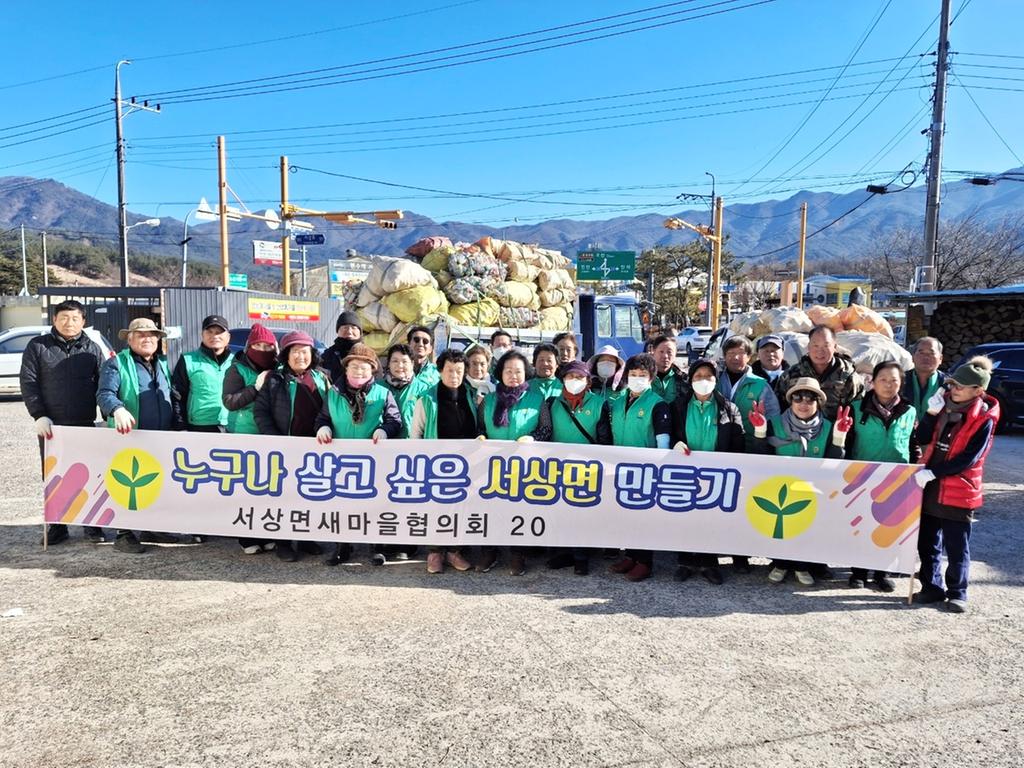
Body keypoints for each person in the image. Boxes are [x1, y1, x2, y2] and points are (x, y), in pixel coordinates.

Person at [914, 356, 999, 614]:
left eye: (961, 386)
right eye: (952, 384)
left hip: (958, 490)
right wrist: (929, 413)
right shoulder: (942, 407)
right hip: (931, 487)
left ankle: (957, 592)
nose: (954, 389)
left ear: (978, 390)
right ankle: (931, 587)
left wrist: (933, 473)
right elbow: (922, 437)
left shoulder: (984, 418)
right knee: (927, 542)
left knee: (956, 545)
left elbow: (969, 458)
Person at [750, 378, 852, 586]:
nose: (803, 403)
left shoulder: (828, 427)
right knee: (781, 526)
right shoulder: (775, 423)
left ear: (818, 403)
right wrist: (760, 433)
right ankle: (780, 563)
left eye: (810, 398)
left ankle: (802, 566)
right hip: (780, 487)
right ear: (790, 401)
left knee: (808, 527)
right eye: (798, 397)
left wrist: (839, 438)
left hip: (813, 488)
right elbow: (761, 456)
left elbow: (834, 462)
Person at [21, 299, 107, 545]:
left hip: (84, 424)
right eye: (64, 318)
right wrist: (38, 414)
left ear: (83, 321)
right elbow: (29, 382)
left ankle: (92, 525)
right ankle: (58, 526)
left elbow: (103, 385)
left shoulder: (92, 348)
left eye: (75, 318)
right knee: (54, 477)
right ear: (54, 320)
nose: (69, 323)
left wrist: (106, 417)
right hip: (51, 425)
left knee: (90, 475)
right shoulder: (37, 347)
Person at [315, 342, 403, 566]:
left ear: (372, 370)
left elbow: (395, 421)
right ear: (346, 368)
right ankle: (342, 547)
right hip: (341, 461)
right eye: (354, 366)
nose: (359, 370)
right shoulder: (333, 394)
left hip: (373, 461)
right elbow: (323, 418)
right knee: (343, 504)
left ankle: (376, 546)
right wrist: (322, 428)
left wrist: (384, 430)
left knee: (374, 504)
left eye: (365, 367)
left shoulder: (383, 394)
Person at [96, 318, 175, 554]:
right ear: (130, 339)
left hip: (160, 436)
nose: (148, 339)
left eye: (152, 335)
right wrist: (117, 409)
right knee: (127, 486)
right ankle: (124, 533)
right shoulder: (116, 363)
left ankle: (151, 527)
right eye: (141, 335)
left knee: (154, 483)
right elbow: (104, 393)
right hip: (129, 437)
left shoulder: (161, 363)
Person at [843, 360, 921, 591]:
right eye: (883, 380)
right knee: (861, 526)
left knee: (888, 527)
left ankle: (881, 572)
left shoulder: (909, 411)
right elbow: (847, 442)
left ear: (901, 384)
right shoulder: (857, 408)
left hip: (897, 478)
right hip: (863, 477)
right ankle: (857, 571)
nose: (888, 385)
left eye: (894, 380)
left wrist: (916, 470)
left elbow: (912, 443)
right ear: (872, 382)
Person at [254, 330, 331, 563]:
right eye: (295, 351)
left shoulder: (321, 378)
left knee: (309, 495)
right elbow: (261, 411)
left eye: (305, 351)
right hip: (284, 447)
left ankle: (307, 538)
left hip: (314, 448)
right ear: (286, 355)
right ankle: (283, 542)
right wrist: (276, 440)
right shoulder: (275, 380)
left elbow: (331, 410)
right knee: (283, 497)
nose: (300, 356)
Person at [669, 358, 746, 584]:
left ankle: (709, 562)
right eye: (698, 377)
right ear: (691, 380)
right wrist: (675, 443)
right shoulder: (678, 406)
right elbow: (671, 433)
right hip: (685, 473)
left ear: (716, 380)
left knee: (711, 519)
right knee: (685, 518)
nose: (703, 381)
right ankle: (685, 561)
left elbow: (738, 442)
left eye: (708, 376)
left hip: (716, 475)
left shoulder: (728, 408)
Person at [533, 360, 613, 576]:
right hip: (557, 468)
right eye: (570, 377)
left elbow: (604, 439)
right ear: (563, 380)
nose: (574, 381)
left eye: (579, 377)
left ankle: (581, 556)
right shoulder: (551, 403)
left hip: (588, 469)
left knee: (582, 514)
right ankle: (563, 552)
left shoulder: (600, 404)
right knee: (559, 512)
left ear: (588, 381)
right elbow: (545, 431)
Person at [408, 348, 477, 574]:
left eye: (459, 370)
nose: (454, 375)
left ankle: (455, 551)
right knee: (435, 508)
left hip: (465, 464)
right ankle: (435, 552)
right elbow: (415, 433)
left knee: (461, 507)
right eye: (449, 370)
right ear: (440, 371)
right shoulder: (427, 398)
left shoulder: (471, 395)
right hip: (435, 464)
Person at [476, 349, 544, 576]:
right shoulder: (489, 400)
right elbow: (480, 427)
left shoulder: (537, 400)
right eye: (508, 371)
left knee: (520, 510)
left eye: (518, 371)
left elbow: (547, 429)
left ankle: (518, 553)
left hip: (524, 467)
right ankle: (490, 550)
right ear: (500, 373)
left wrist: (533, 438)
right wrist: (480, 437)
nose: (513, 375)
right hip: (491, 466)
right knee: (490, 508)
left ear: (526, 373)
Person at [608, 353, 672, 582]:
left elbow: (663, 439)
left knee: (644, 517)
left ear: (651, 378)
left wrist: (659, 466)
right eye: (633, 374)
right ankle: (630, 556)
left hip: (646, 470)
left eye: (642, 375)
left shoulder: (657, 404)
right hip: (619, 467)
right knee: (626, 516)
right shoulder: (618, 401)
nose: (636, 379)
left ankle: (645, 561)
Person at [222, 323, 279, 556]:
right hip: (244, 435)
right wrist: (254, 388)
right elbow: (230, 401)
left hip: (271, 433)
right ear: (248, 346)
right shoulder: (237, 369)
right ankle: (246, 535)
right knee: (246, 487)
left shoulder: (278, 367)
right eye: (258, 345)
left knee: (269, 487)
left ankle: (267, 532)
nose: (263, 349)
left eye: (268, 345)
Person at [776, 325, 863, 422]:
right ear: (808, 347)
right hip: (797, 433)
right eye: (815, 345)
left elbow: (858, 414)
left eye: (826, 346)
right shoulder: (791, 375)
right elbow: (779, 409)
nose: (820, 351)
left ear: (834, 347)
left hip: (836, 433)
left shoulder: (849, 378)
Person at [718, 335, 780, 452]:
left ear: (749, 357)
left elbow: (774, 420)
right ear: (724, 356)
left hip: (750, 449)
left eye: (741, 352)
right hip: (719, 449)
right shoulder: (715, 381)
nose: (735, 357)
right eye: (730, 353)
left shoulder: (760, 385)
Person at [172, 315, 233, 433]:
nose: (215, 336)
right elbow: (177, 395)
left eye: (219, 332)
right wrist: (181, 426)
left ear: (228, 337)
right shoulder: (188, 360)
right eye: (210, 331)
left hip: (230, 425)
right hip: (199, 426)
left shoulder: (236, 361)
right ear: (202, 335)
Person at [382, 343, 428, 439]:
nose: (400, 365)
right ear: (388, 364)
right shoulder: (378, 388)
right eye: (395, 361)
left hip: (412, 447)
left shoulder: (423, 389)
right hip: (381, 446)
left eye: (404, 361)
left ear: (412, 364)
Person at [902, 337, 946, 419]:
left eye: (931, 353)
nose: (926, 357)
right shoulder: (900, 380)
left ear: (940, 359)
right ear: (913, 357)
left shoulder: (947, 384)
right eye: (921, 353)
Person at [321, 310, 363, 383]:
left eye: (353, 327)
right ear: (338, 331)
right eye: (345, 327)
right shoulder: (327, 356)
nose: (349, 331)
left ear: (360, 332)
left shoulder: (368, 355)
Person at [650, 334, 688, 404]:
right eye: (661, 352)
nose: (665, 356)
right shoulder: (644, 377)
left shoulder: (684, 379)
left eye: (669, 352)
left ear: (675, 354)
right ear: (653, 351)